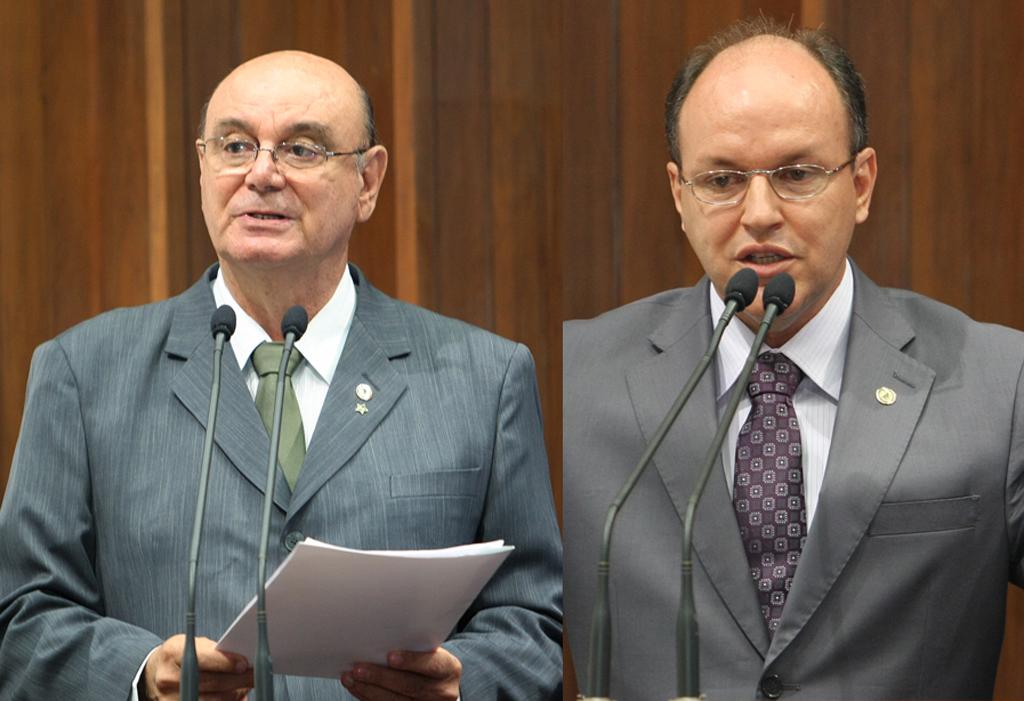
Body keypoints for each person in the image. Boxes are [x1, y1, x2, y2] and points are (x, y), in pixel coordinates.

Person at [0, 51, 562, 700]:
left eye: (301, 149)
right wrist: (139, 674)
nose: (261, 174)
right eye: (235, 145)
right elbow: (21, 621)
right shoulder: (84, 372)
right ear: (203, 166)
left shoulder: (484, 379)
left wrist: (462, 683)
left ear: (368, 180)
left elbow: (533, 630)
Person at [564, 17, 1024, 700]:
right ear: (680, 196)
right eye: (722, 179)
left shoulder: (999, 382)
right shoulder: (572, 378)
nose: (759, 212)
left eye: (797, 174)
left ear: (861, 184)